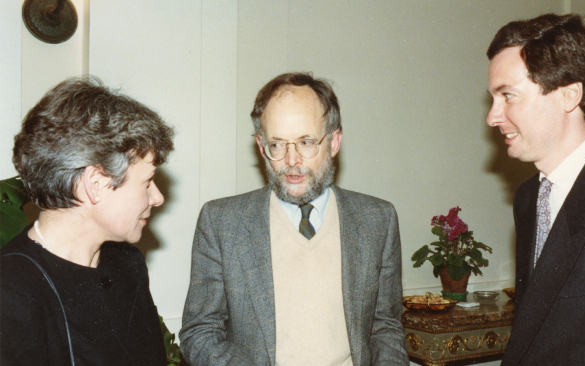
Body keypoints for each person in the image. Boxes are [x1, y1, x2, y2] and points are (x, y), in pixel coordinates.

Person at [180, 72, 409, 365]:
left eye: (306, 142)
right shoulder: (222, 223)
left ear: (334, 142)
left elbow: (385, 327)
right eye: (277, 145)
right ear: (261, 146)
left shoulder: (378, 220)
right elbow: (200, 331)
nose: (291, 161)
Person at [486, 13, 585, 365]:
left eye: (508, 96)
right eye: (493, 99)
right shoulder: (528, 198)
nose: (493, 117)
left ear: (569, 95)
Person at [1, 77, 175, 365]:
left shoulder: (128, 265)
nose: (157, 198)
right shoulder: (10, 291)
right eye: (147, 182)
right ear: (95, 183)